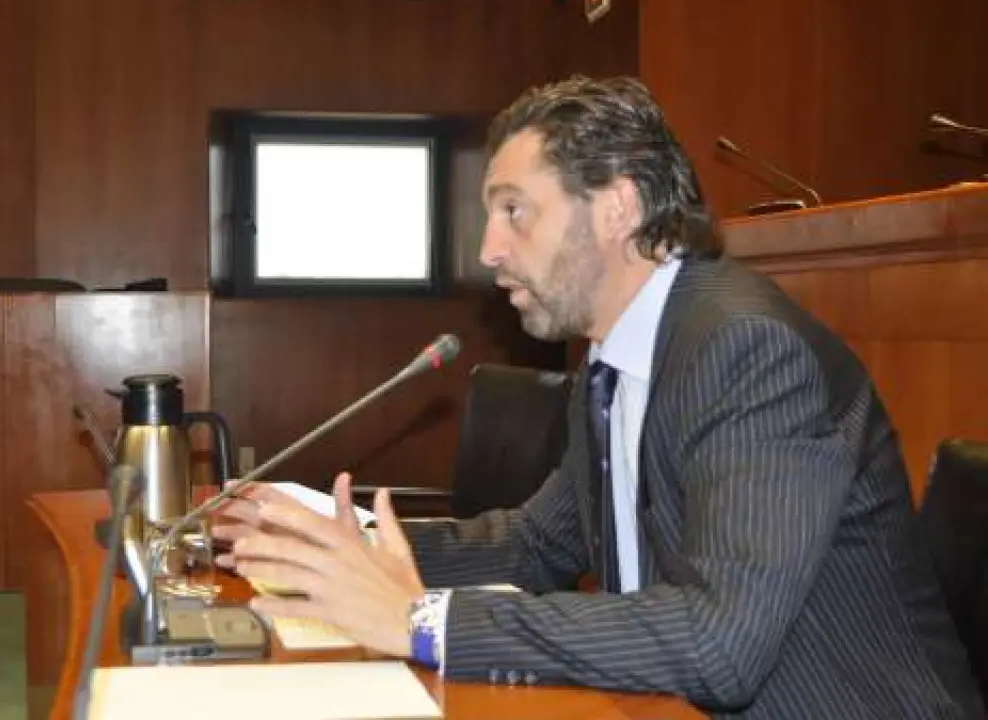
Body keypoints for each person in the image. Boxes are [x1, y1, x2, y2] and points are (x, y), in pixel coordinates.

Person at [212, 76, 986, 719]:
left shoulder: (746, 350)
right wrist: (333, 547)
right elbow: (536, 546)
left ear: (618, 207)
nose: (488, 249)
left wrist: (421, 622)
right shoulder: (611, 364)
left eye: (514, 211)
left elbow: (719, 643)